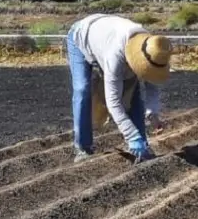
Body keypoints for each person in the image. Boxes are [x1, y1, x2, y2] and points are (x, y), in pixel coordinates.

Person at [65, 13, 172, 164]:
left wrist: (152, 113)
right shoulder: (115, 56)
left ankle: (144, 146)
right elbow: (113, 102)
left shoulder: (153, 49)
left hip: (104, 37)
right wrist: (131, 136)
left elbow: (152, 86)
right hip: (81, 37)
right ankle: (83, 147)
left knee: (133, 92)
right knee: (83, 89)